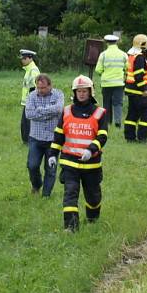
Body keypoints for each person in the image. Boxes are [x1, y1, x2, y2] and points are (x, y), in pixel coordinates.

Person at [47, 75, 108, 232]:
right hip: (69, 163)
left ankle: (92, 219)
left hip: (91, 164)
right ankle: (71, 227)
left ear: (90, 92)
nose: (81, 94)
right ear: (74, 93)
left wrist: (90, 150)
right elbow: (59, 134)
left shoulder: (100, 113)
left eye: (84, 91)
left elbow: (102, 136)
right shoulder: (66, 111)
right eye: (78, 91)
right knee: (70, 194)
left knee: (93, 196)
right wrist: (52, 154)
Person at [24, 74, 64, 197]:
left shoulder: (58, 94)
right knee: (32, 165)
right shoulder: (31, 96)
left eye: (43, 88)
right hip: (35, 137)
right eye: (38, 87)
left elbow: (59, 109)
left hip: (53, 139)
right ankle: (36, 185)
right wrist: (49, 112)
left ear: (50, 86)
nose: (40, 90)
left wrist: (40, 110)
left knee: (51, 169)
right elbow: (29, 114)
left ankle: (46, 195)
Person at [124, 34, 147, 143]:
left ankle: (130, 137)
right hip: (139, 91)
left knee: (132, 114)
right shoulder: (140, 57)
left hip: (131, 90)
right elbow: (138, 76)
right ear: (143, 45)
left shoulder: (131, 56)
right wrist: (144, 89)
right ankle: (142, 138)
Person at [95, 34, 128, 129]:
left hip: (106, 83)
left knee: (106, 103)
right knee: (118, 103)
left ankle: (107, 122)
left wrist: (103, 74)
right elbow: (127, 68)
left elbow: (98, 69)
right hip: (119, 83)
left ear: (106, 43)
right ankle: (118, 123)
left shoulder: (103, 54)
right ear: (116, 42)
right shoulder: (123, 54)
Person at [19, 49, 40, 145]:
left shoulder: (33, 70)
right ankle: (26, 140)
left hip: (30, 101)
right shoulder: (29, 69)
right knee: (25, 123)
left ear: (30, 58)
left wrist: (32, 101)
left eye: (24, 58)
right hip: (27, 101)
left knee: (27, 123)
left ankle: (28, 141)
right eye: (22, 58)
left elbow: (35, 87)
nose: (22, 60)